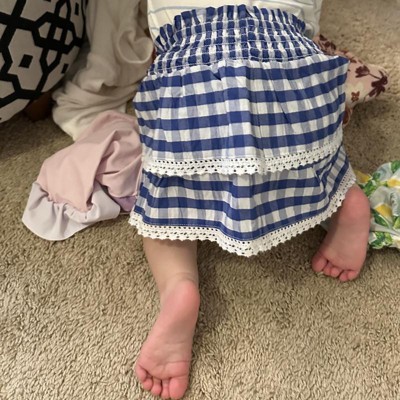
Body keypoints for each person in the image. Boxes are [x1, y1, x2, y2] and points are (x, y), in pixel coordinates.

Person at [129, 1, 371, 398]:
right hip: (291, 83)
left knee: (164, 205)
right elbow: (309, 28)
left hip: (196, 98)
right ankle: (348, 204)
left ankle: (178, 286)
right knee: (322, 159)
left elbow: (158, 34)